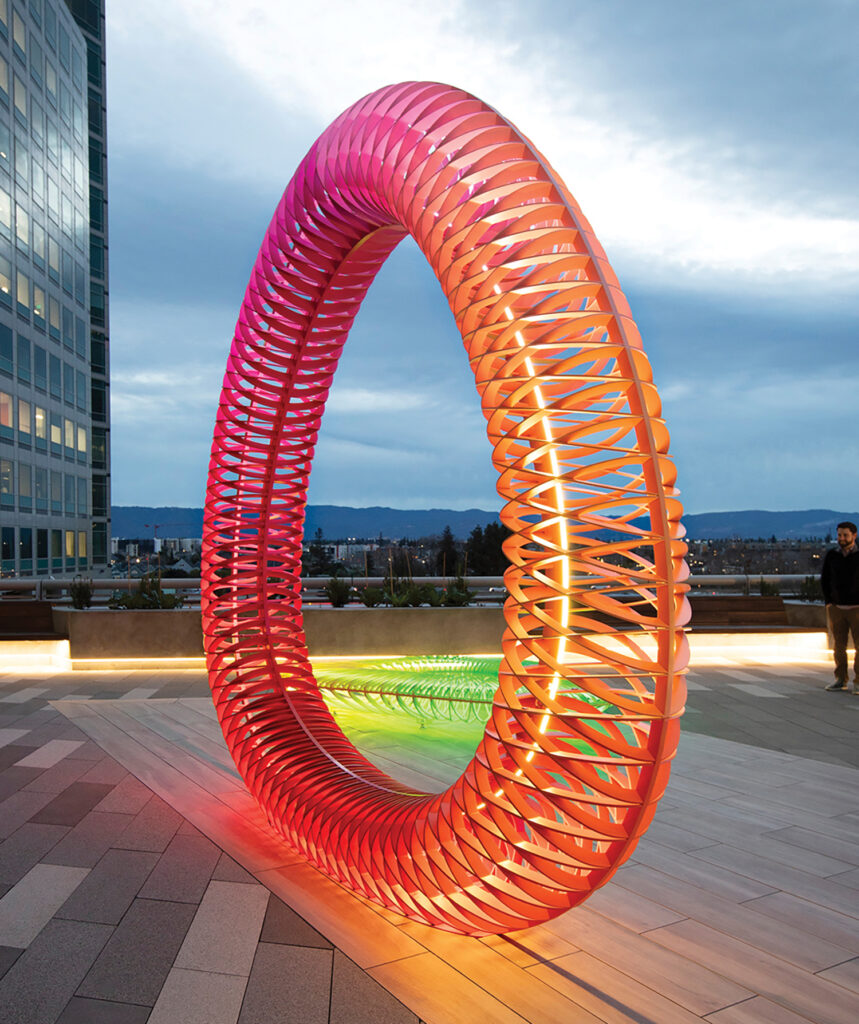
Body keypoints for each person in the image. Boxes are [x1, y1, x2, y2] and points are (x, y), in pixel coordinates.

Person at [821, 521, 859, 693]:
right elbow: (825, 579)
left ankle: (858, 681)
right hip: (837, 608)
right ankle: (840, 679)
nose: (842, 538)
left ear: (854, 535)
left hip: (857, 608)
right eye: (839, 535)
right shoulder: (832, 556)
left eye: (845, 535)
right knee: (839, 646)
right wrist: (829, 602)